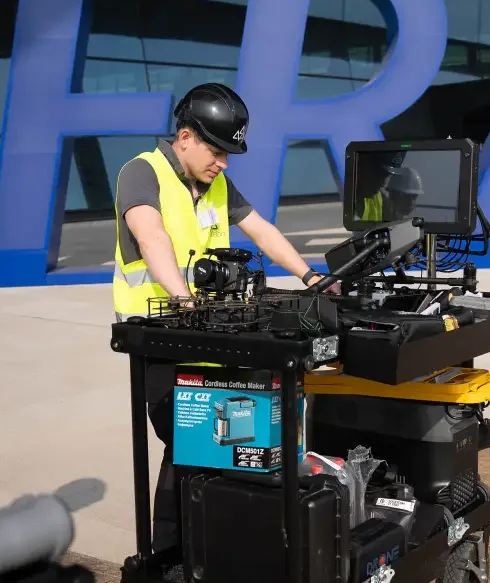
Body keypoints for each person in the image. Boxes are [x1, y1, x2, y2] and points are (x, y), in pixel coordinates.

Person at [113, 82, 333, 553]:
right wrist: (183, 297)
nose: (224, 162)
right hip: (160, 340)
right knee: (188, 446)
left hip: (211, 337)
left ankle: (228, 549)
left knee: (235, 442)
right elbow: (152, 239)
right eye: (217, 151)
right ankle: (172, 556)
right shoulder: (141, 172)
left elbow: (262, 230)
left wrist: (312, 277)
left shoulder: (215, 185)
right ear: (186, 137)